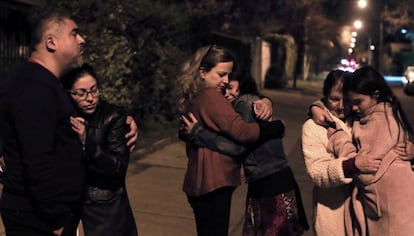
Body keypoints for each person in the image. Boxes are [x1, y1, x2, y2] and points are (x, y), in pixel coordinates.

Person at [0, 7, 137, 236]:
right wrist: (54, 219)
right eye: (74, 33)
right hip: (39, 220)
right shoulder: (35, 88)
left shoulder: (46, 83)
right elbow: (37, 160)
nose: (82, 39)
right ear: (51, 42)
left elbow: (77, 109)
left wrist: (124, 118)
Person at [176, 44, 285, 236]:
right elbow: (242, 132)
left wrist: (265, 100)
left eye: (228, 75)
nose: (226, 80)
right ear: (203, 72)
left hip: (201, 182)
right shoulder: (210, 95)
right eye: (221, 74)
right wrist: (275, 128)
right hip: (213, 182)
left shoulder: (195, 96)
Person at [181, 73, 309, 236]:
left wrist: (198, 132)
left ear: (243, 87)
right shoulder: (244, 103)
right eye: (225, 88)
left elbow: (238, 147)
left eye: (231, 88)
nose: (227, 93)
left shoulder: (245, 103)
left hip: (271, 181)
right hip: (266, 179)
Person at [327, 65, 414, 236]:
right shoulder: (380, 113)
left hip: (392, 208)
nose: (353, 108)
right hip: (392, 205)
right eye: (351, 102)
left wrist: (338, 138)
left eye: (358, 102)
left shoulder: (381, 121)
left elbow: (365, 170)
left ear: (375, 95)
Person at [301, 69, 381, 236]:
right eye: (334, 99)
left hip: (367, 212)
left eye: (347, 99)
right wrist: (351, 166)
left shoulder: (363, 119)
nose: (341, 106)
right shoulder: (313, 127)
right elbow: (317, 172)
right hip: (333, 212)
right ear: (325, 96)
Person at [61, 64, 138, 236]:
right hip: (68, 205)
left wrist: (86, 141)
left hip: (105, 208)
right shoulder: (62, 116)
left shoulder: (113, 117)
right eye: (81, 93)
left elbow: (117, 168)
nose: (90, 98)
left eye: (94, 90)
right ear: (68, 94)